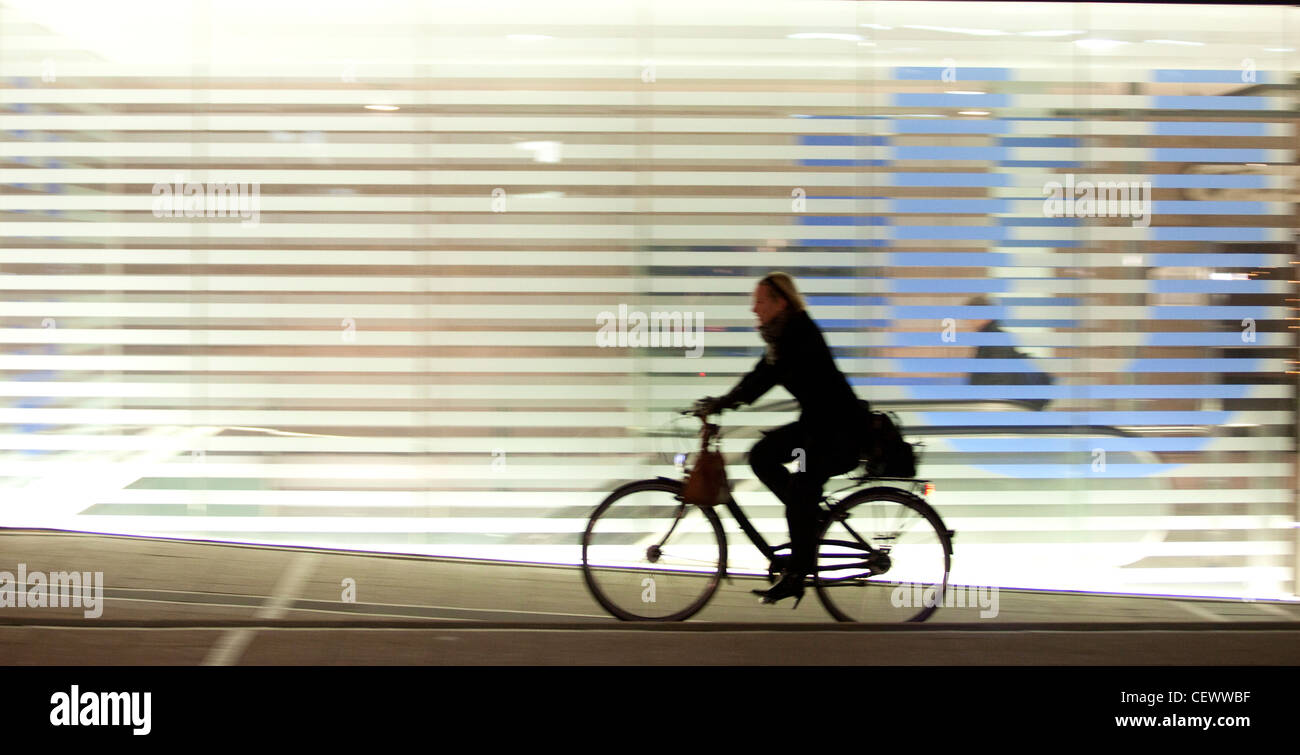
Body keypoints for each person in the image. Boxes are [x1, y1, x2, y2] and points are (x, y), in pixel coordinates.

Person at [694, 272, 866, 607]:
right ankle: (809, 518)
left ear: (780, 302)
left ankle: (797, 574)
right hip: (817, 426)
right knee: (762, 455)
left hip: (840, 431)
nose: (753, 309)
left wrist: (726, 402)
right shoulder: (784, 335)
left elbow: (764, 378)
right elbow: (760, 374)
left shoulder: (797, 334)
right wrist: (723, 402)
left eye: (759, 301)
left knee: (802, 486)